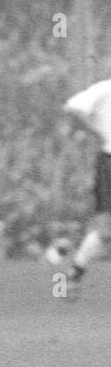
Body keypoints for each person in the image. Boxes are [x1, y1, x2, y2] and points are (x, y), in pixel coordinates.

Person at [59, 76, 111, 292]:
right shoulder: (105, 89)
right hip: (109, 162)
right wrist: (97, 129)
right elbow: (73, 106)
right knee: (107, 230)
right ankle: (75, 272)